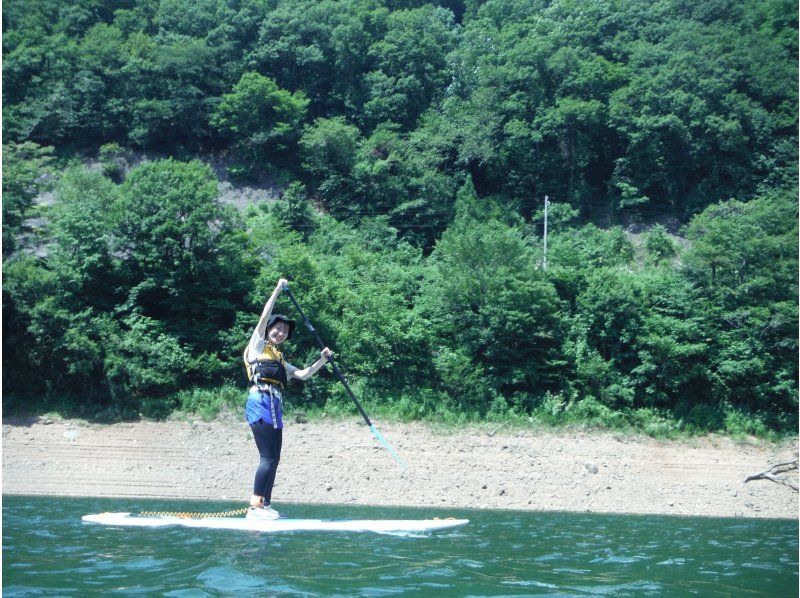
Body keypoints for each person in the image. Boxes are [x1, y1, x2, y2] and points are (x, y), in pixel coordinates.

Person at [243, 278, 331, 520]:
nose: (281, 333)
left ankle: (265, 505)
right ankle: (255, 507)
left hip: (275, 407)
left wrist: (322, 360)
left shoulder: (280, 358)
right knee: (266, 457)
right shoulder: (257, 345)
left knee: (275, 458)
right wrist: (277, 290)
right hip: (259, 402)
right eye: (277, 328)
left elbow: (302, 375)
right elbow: (263, 318)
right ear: (270, 329)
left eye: (284, 331)